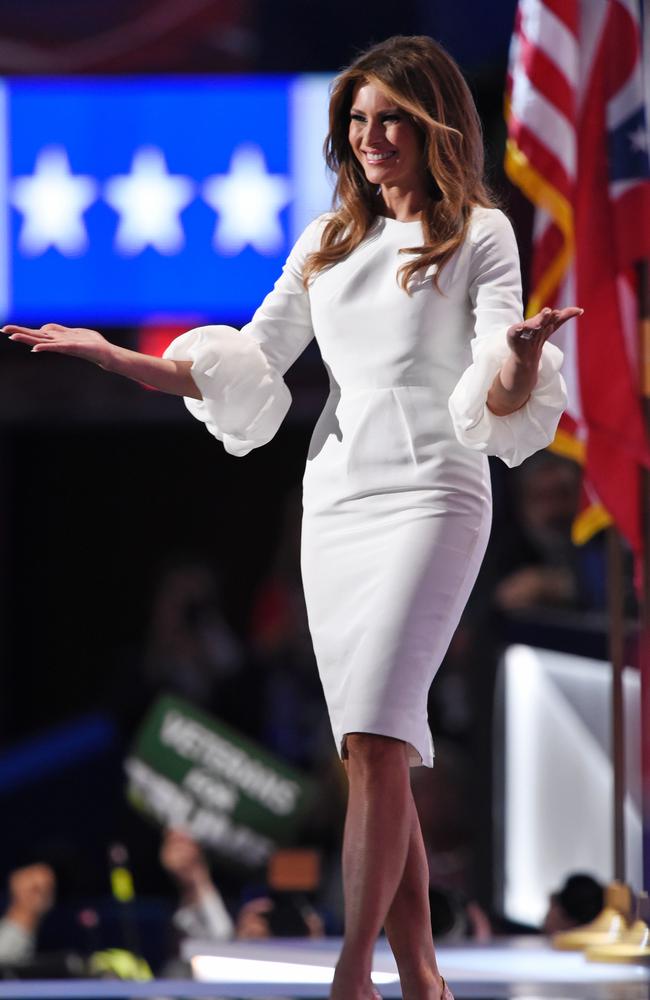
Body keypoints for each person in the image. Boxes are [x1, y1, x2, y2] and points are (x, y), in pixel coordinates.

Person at [2, 33, 580, 1000]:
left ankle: (353, 975)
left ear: (432, 122)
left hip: (435, 491)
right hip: (339, 498)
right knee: (367, 749)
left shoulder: (477, 231)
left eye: (390, 117)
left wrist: (523, 356)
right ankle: (424, 976)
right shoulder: (326, 241)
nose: (371, 136)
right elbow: (247, 361)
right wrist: (114, 357)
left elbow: (502, 373)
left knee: (382, 734)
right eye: (357, 119)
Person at [0, 863, 56, 965]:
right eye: (35, 890)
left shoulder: (31, 933)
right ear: (17, 893)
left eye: (49, 888)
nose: (44, 896)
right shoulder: (9, 938)